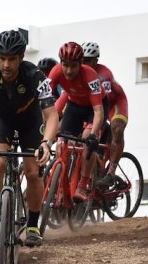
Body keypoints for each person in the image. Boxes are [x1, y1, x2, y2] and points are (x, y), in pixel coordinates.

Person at [0, 30, 59, 247]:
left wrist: (46, 143)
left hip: (29, 119)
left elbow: (52, 114)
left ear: (21, 57)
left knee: (33, 170)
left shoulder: (35, 75)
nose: (6, 65)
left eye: (11, 59)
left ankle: (33, 224)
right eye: (2, 58)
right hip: (1, 117)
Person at [46, 41, 107, 202]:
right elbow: (45, 103)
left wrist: (94, 136)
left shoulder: (90, 75)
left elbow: (98, 111)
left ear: (80, 64)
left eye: (73, 66)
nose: (68, 70)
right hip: (74, 105)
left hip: (94, 108)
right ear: (60, 63)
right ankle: (61, 181)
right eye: (65, 65)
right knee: (61, 142)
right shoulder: (56, 72)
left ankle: (82, 185)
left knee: (88, 141)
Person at [80, 41, 130, 190]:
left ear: (96, 60)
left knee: (116, 129)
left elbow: (103, 101)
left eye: (88, 60)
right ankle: (97, 168)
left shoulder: (104, 73)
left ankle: (111, 173)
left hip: (114, 104)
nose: (84, 64)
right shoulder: (79, 72)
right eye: (82, 60)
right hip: (96, 106)